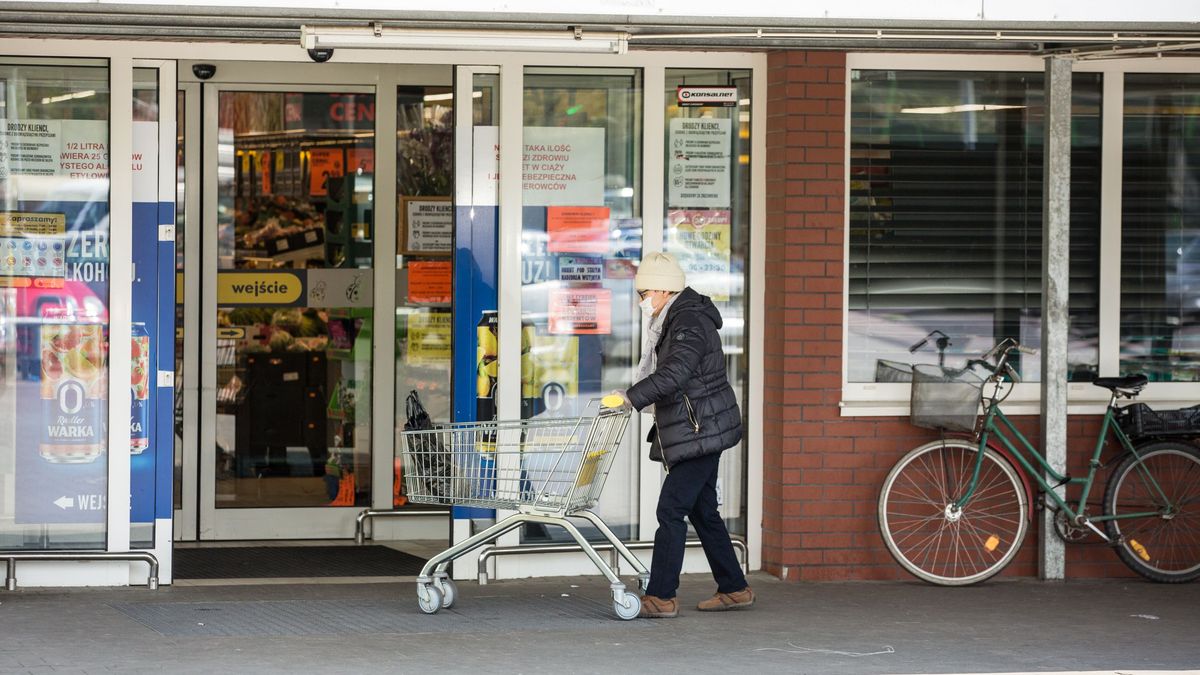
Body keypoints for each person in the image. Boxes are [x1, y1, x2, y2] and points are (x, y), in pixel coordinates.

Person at [620, 252, 752, 618]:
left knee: (671, 509)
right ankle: (734, 587)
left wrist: (629, 398)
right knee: (703, 510)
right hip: (701, 428)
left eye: (643, 293)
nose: (642, 301)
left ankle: (661, 596)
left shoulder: (688, 321)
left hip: (701, 431)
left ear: (663, 289)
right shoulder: (679, 317)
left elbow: (675, 374)